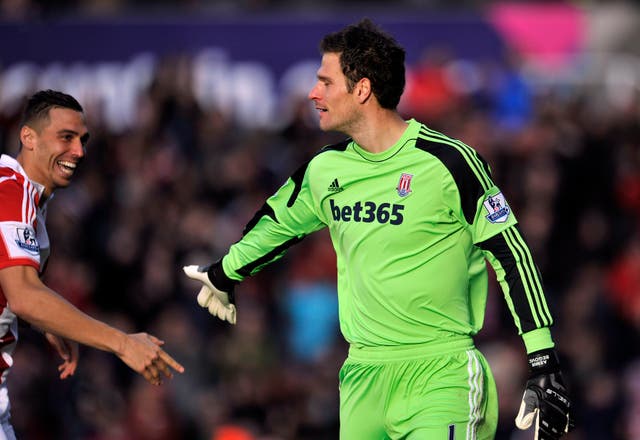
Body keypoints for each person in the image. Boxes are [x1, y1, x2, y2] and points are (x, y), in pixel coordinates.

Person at [183, 19, 572, 439]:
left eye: (324, 82)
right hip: (361, 381)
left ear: (362, 89)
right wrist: (225, 272)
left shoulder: (450, 163)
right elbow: (277, 224)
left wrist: (542, 358)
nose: (313, 93)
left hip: (440, 376)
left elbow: (512, 253)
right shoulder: (324, 170)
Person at [0, 90, 184, 439]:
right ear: (29, 137)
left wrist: (51, 322)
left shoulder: (27, 199)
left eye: (82, 140)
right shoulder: (11, 194)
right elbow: (23, 295)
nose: (79, 152)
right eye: (65, 138)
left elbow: (16, 290)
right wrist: (122, 343)